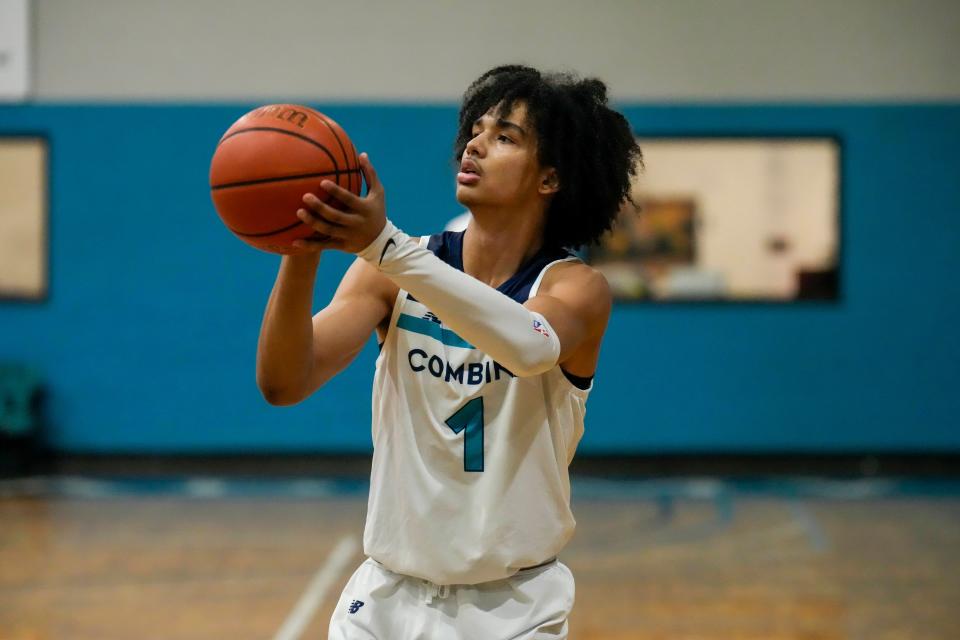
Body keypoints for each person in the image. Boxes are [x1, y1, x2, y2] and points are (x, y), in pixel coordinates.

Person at [256, 64, 642, 639]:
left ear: (550, 179)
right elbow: (284, 383)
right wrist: (300, 246)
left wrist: (384, 246)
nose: (476, 144)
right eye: (476, 130)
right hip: (385, 600)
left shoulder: (574, 290)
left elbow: (530, 346)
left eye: (505, 137)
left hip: (512, 610)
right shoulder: (390, 269)